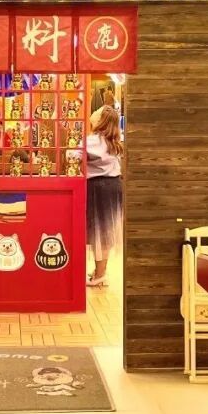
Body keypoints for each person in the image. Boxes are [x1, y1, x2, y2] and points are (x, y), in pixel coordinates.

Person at [85, 105, 123, 287]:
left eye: (97, 112)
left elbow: (73, 153)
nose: (93, 113)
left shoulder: (93, 141)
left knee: (98, 231)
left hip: (98, 187)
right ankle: (101, 271)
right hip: (113, 186)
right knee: (106, 231)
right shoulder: (114, 140)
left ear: (101, 120)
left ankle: (99, 275)